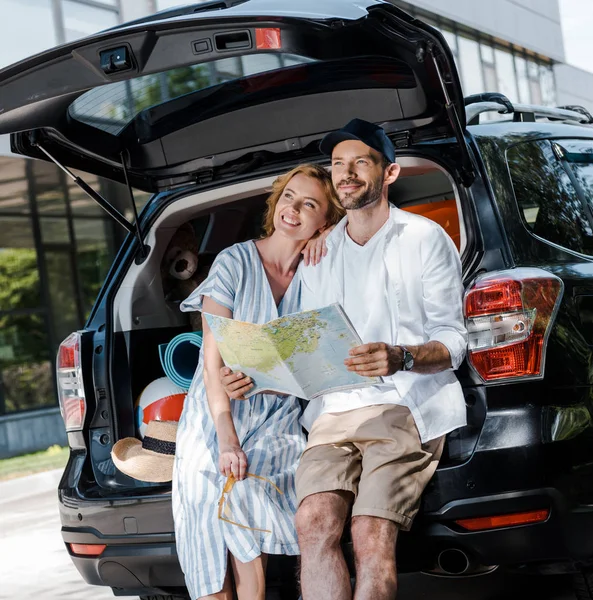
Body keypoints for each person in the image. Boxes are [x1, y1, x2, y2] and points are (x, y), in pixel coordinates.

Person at [222, 118, 467, 600]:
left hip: (404, 408)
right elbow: (304, 349)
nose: (346, 173)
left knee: (370, 534)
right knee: (312, 525)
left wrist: (402, 356)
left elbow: (454, 340)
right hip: (331, 414)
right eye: (337, 165)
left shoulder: (424, 238)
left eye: (360, 162)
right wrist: (257, 375)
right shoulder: (320, 252)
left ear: (389, 174)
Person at [172, 163, 344, 600]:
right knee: (203, 520)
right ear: (276, 201)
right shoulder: (234, 261)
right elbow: (212, 365)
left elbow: (321, 361)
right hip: (214, 412)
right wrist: (227, 438)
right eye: (289, 196)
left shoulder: (319, 274)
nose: (294, 209)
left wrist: (333, 240)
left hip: (279, 418)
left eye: (310, 204)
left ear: (324, 220)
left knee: (248, 495)